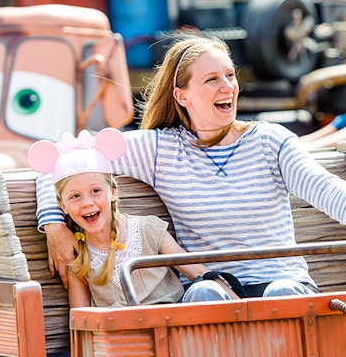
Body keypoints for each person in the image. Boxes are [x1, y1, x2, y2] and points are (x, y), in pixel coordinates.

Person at [36, 35, 346, 299]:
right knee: (205, 294)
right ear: (182, 95)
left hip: (284, 284)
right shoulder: (160, 149)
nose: (229, 87)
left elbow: (323, 187)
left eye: (230, 75)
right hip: (217, 288)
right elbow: (60, 156)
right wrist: (54, 223)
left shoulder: (270, 140)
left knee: (281, 295)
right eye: (212, 80)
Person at [28, 128, 235, 307]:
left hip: (173, 327)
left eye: (96, 191)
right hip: (125, 340)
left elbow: (196, 270)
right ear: (62, 206)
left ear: (113, 192)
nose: (87, 202)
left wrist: (241, 305)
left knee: (204, 289)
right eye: (75, 196)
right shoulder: (79, 255)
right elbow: (80, 319)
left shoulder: (148, 230)